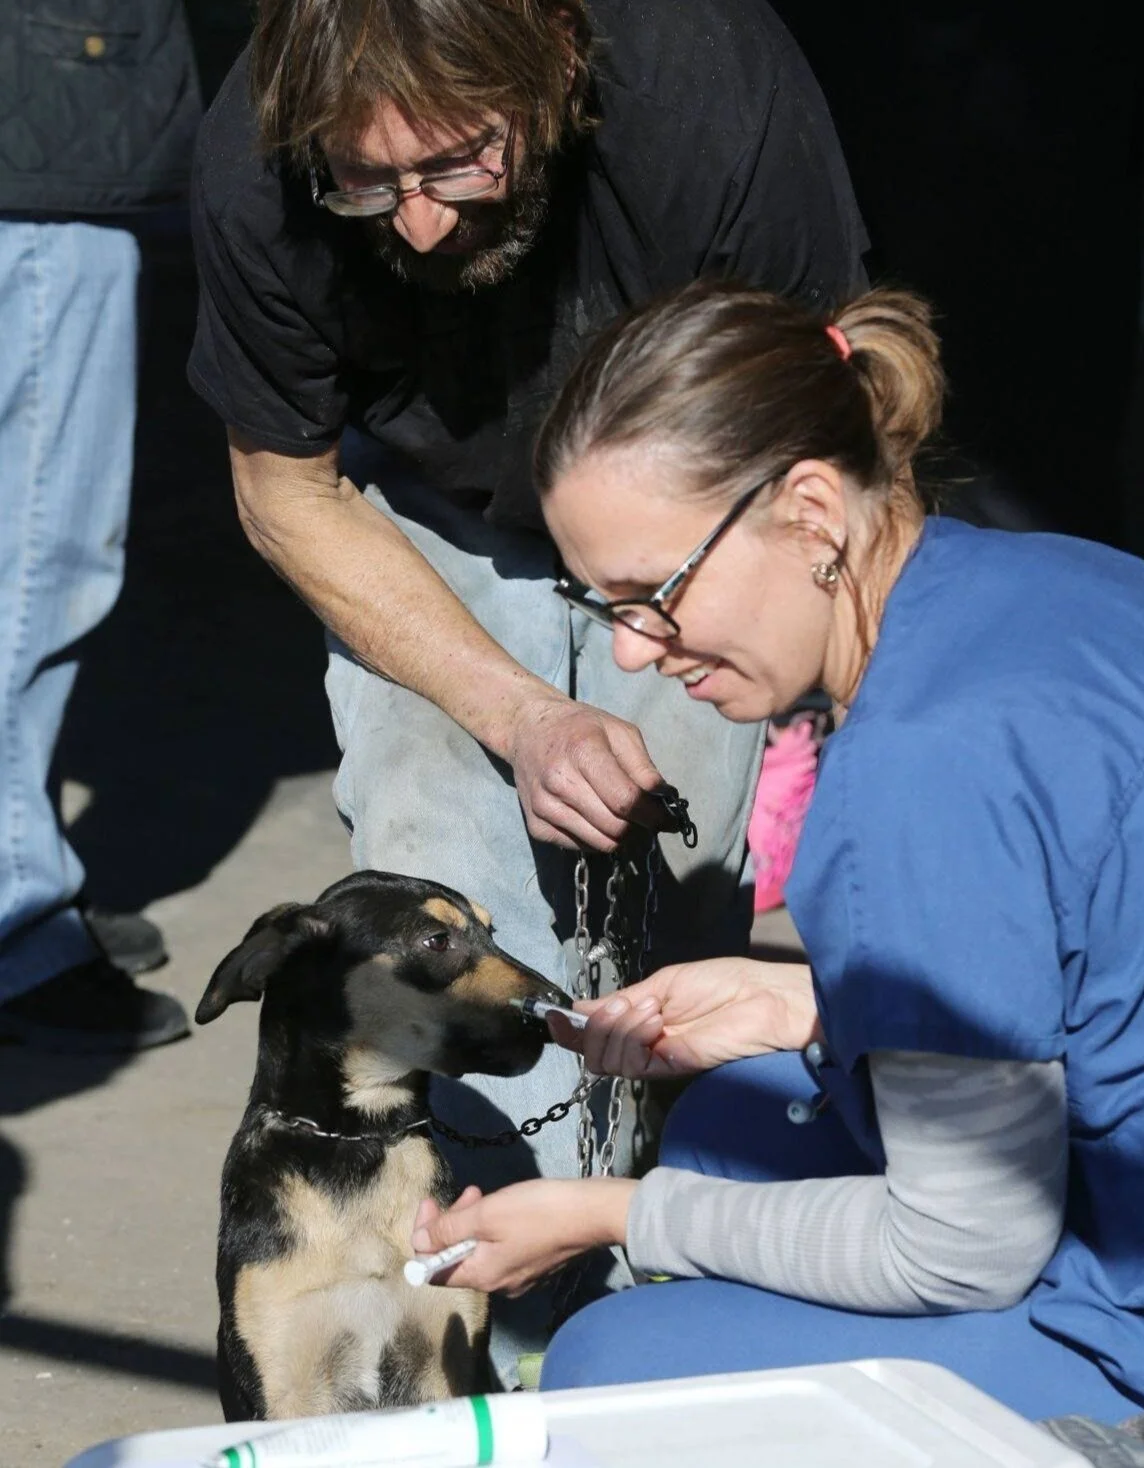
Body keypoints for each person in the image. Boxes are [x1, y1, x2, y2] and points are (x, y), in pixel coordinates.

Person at [187, 0, 867, 1377]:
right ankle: (487, 1349)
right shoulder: (257, 150)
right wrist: (519, 712)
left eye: (457, 163)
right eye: (366, 182)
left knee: (667, 927)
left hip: (686, 491)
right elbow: (284, 486)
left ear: (552, 70)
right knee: (431, 896)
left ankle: (653, 1297)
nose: (418, 220)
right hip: (427, 506)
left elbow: (828, 412)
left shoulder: (704, 87)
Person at [409, 281, 1144, 1423]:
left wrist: (606, 1214)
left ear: (811, 512)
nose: (631, 653)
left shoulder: (914, 772)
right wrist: (809, 1005)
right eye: (603, 603)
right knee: (729, 1124)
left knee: (608, 1370)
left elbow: (963, 1247)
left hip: (1143, 1321)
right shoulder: (1064, 581)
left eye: (653, 593)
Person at [0, 0, 199, 1052]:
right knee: (38, 566)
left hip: (43, 128)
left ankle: (22, 870)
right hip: (39, 128)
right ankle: (16, 924)